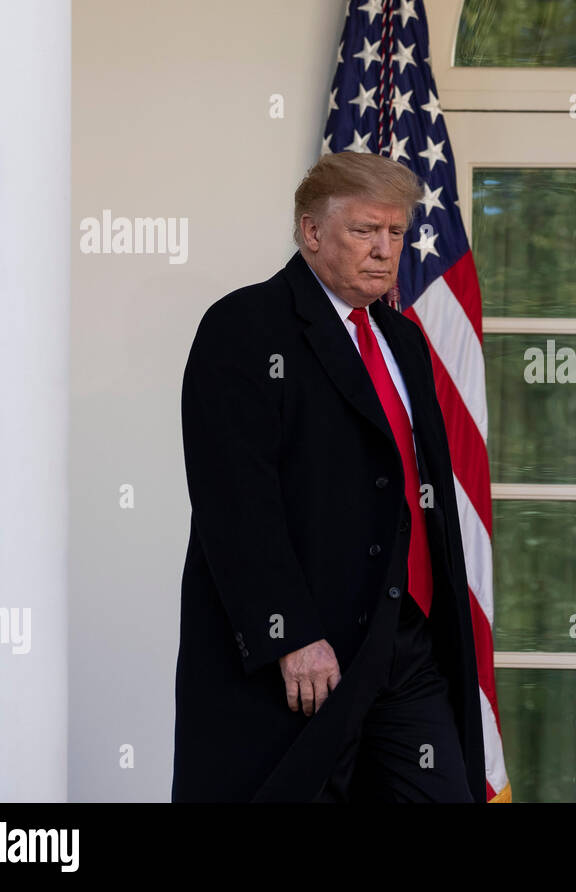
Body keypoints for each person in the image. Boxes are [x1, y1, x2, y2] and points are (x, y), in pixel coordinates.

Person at [171, 151, 485, 802]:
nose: (384, 250)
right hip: (313, 654)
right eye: (365, 230)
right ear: (312, 232)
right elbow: (235, 499)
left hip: (407, 643)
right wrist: (290, 633)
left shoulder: (404, 341)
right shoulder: (245, 328)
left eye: (396, 233)